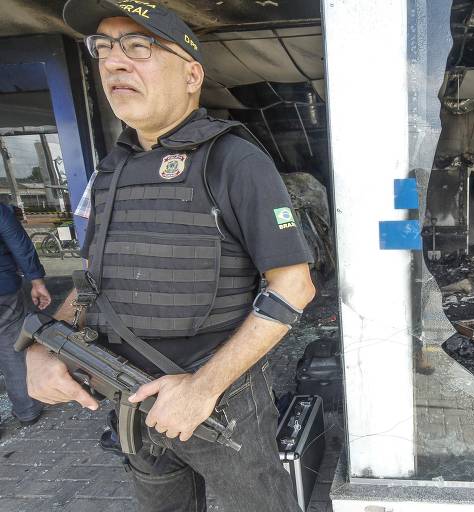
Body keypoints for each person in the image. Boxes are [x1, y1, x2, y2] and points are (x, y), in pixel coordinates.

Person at [24, 2, 315, 511]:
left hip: (219, 396)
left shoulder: (233, 160)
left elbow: (294, 286)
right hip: (131, 396)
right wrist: (45, 350)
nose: (115, 63)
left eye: (139, 47)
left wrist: (202, 388)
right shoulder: (111, 169)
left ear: (191, 74)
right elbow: (93, 282)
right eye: (104, 49)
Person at [0, 203, 50, 426]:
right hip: (3, 290)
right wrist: (36, 280)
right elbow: (19, 242)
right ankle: (27, 410)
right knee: (13, 349)